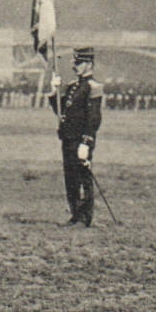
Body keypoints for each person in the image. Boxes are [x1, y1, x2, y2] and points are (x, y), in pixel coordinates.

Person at [49, 47, 104, 226]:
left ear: (89, 65)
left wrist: (86, 142)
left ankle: (85, 217)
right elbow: (61, 110)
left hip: (80, 139)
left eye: (79, 63)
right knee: (70, 178)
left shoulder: (93, 87)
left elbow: (94, 117)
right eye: (75, 62)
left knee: (83, 178)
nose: (75, 66)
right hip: (68, 138)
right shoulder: (73, 87)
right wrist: (54, 92)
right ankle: (75, 214)